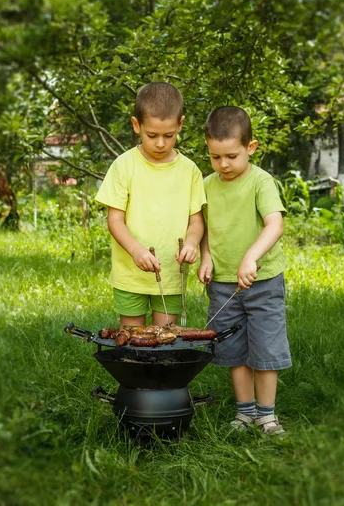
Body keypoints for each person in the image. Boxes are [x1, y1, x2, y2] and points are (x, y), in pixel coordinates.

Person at [198, 106, 291, 436]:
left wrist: (251, 256)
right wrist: (205, 257)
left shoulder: (260, 181)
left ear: (250, 148)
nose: (224, 165)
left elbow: (274, 224)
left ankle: (267, 416)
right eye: (215, 157)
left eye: (232, 156)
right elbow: (204, 228)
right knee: (234, 350)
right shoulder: (207, 185)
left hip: (263, 282)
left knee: (265, 350)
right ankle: (245, 413)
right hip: (223, 285)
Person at [95, 82, 206, 328]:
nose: (160, 143)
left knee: (165, 339)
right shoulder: (124, 165)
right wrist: (136, 251)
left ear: (180, 125)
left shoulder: (190, 171)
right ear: (137, 126)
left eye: (169, 135)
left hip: (171, 274)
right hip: (130, 274)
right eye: (151, 135)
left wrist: (191, 243)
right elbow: (115, 220)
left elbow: (196, 221)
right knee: (133, 338)